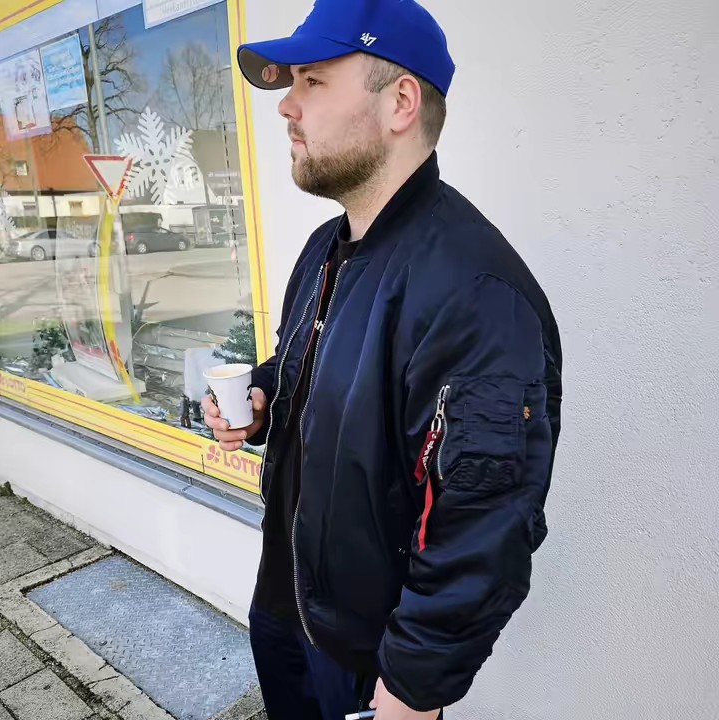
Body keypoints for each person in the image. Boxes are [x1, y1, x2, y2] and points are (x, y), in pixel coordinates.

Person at [202, 1, 563, 718]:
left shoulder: (472, 291)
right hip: (285, 609)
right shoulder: (325, 248)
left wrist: (408, 693)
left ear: (400, 102)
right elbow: (314, 367)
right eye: (291, 85)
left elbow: (481, 532)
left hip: (367, 664)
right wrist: (266, 397)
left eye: (313, 81)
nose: (286, 108)